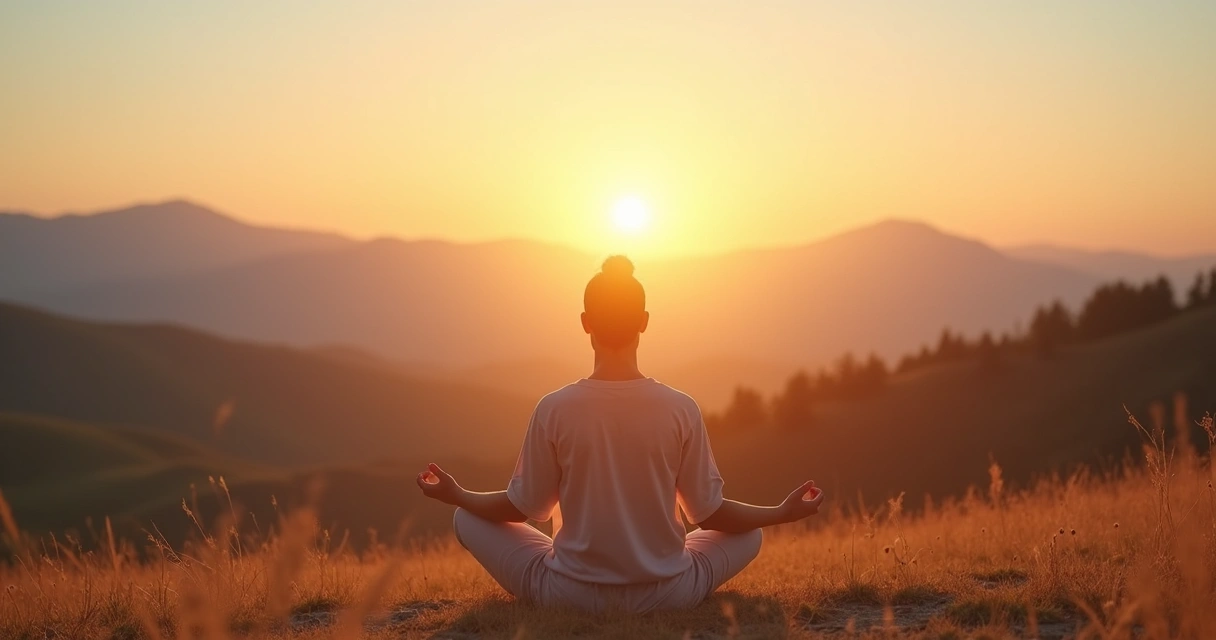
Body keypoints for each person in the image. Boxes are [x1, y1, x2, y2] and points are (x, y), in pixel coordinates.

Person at [416, 255, 824, 613]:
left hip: (568, 593)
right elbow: (710, 513)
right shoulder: (680, 408)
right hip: (669, 591)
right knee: (749, 533)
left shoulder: (554, 408)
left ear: (585, 323)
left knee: (464, 517)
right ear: (644, 322)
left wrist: (457, 494)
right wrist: (780, 514)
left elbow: (523, 508)